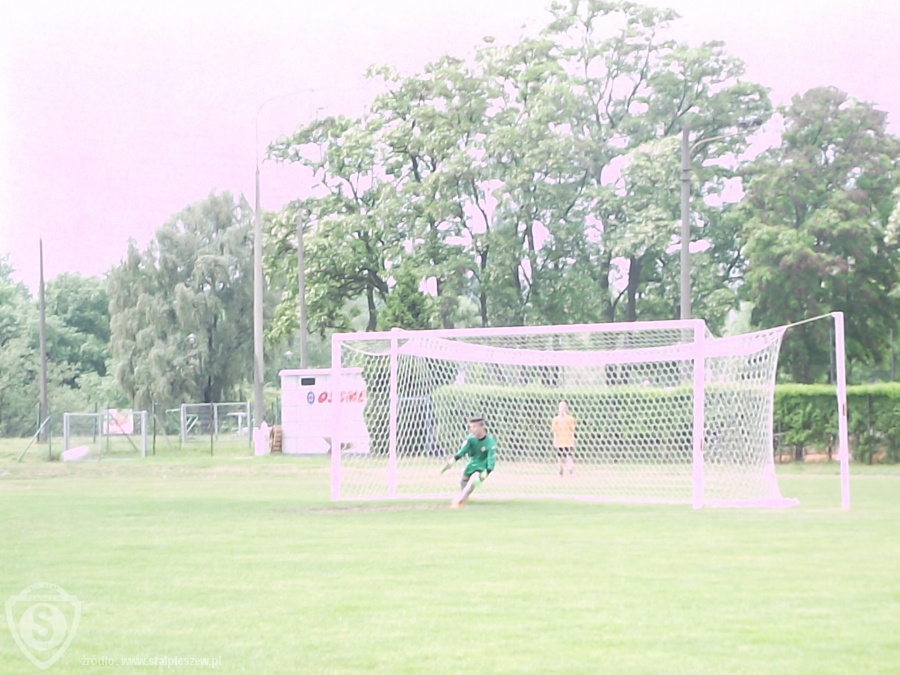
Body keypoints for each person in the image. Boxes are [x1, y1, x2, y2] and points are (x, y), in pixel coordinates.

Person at [441, 417, 496, 508]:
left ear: (482, 427)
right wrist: (452, 462)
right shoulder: (470, 439)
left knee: (473, 480)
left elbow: (491, 458)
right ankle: (464, 497)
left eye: (474, 427)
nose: (471, 429)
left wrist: (487, 471)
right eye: (470, 427)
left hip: (483, 465)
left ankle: (458, 501)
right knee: (463, 482)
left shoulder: (490, 441)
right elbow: (462, 451)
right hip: (472, 464)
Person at [551, 400, 575, 476]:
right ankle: (560, 472)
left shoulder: (570, 419)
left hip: (567, 441)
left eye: (563, 408)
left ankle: (571, 471)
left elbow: (572, 431)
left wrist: (572, 440)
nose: (561, 409)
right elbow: (554, 431)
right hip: (560, 441)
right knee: (560, 458)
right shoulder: (556, 420)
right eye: (560, 408)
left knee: (569, 457)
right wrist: (555, 440)